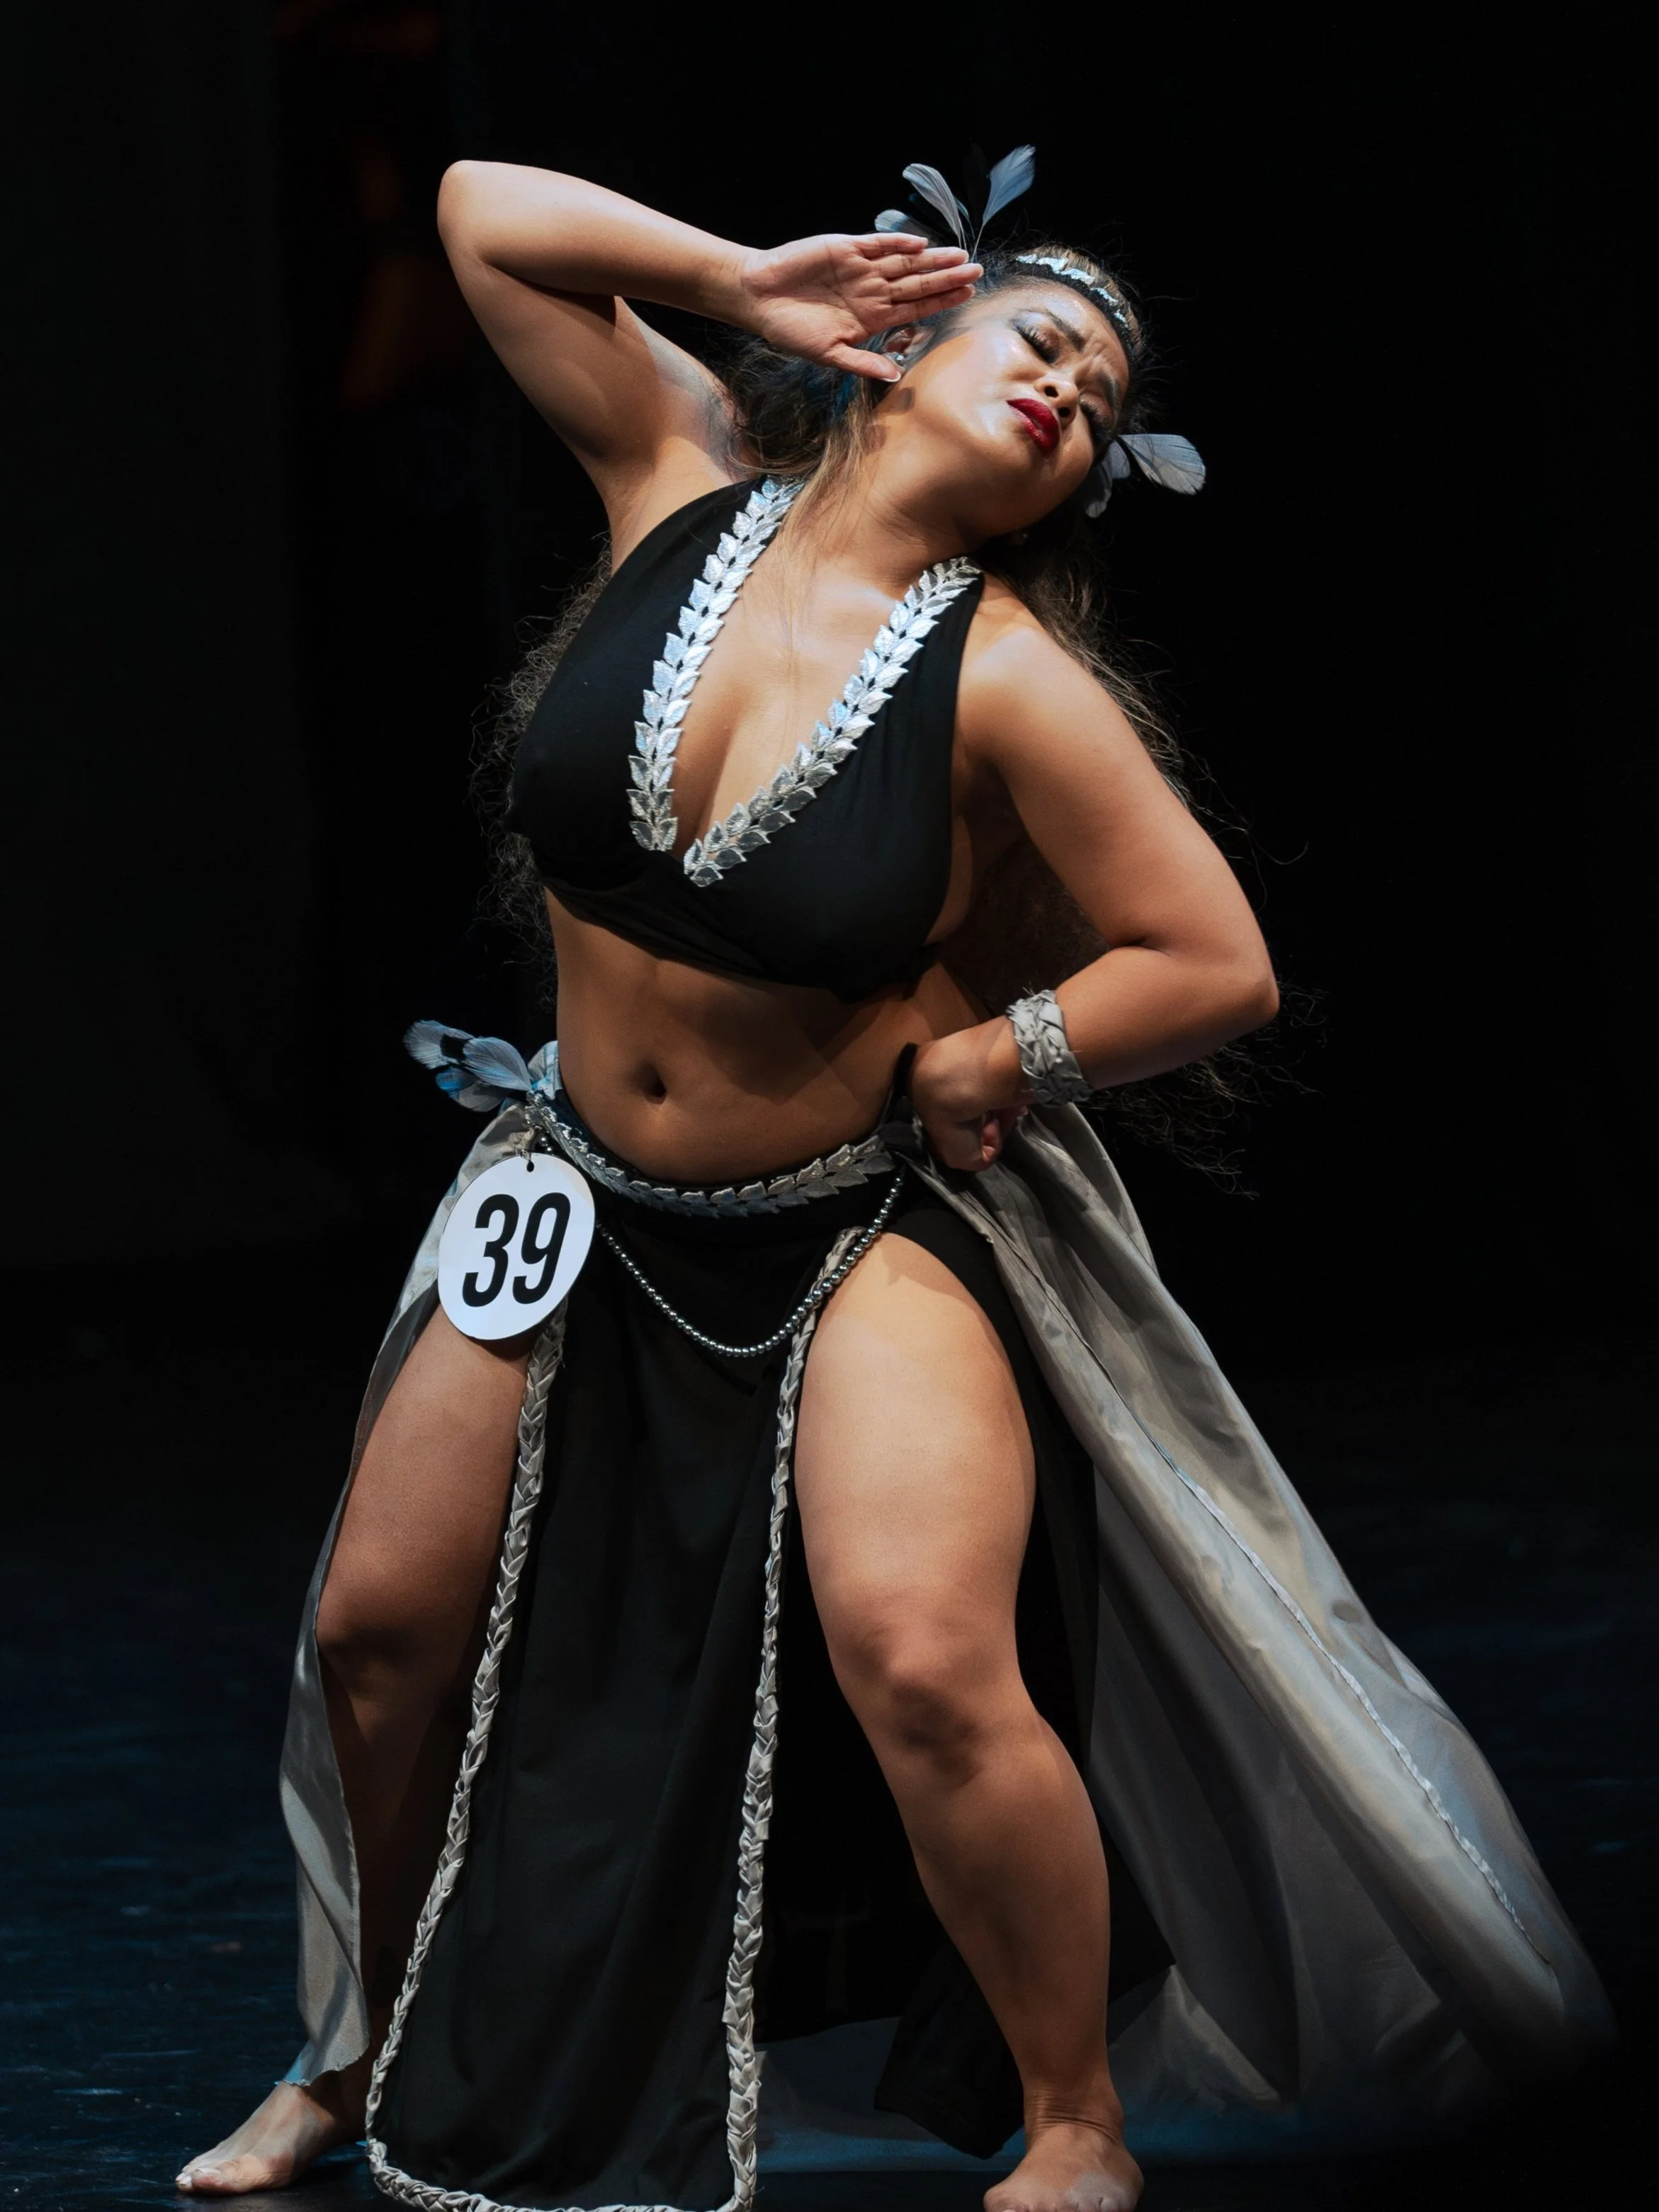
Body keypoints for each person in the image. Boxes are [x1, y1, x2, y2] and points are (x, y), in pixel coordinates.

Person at [176, 159, 1611, 2211]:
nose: (1070, 401)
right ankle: (360, 2060)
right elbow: (480, 208)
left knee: (926, 1656)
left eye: (1102, 408)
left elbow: (1213, 964)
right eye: (1042, 343)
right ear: (897, 349)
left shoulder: (1013, 680)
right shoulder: (668, 486)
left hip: (853, 1225)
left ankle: (1071, 2124)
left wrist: (987, 1055)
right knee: (376, 1635)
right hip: (573, 1194)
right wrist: (740, 279)